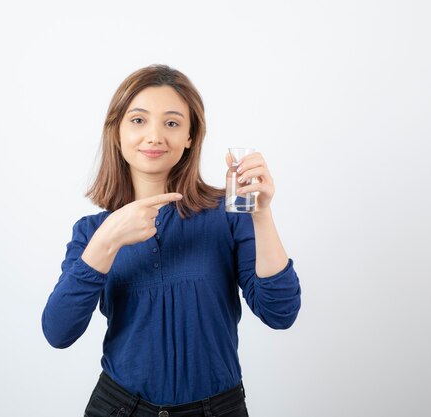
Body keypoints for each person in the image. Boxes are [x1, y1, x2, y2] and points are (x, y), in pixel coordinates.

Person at [42, 64, 301, 417]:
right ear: (116, 133)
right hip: (119, 408)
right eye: (138, 120)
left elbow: (280, 313)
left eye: (172, 122)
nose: (154, 136)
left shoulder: (227, 215)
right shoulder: (92, 232)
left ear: (190, 136)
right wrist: (108, 241)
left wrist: (261, 213)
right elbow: (58, 333)